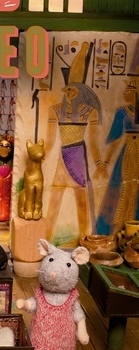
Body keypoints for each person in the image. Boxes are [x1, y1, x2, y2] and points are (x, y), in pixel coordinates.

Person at [44, 82, 104, 240]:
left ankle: (83, 239)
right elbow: (49, 142)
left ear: (81, 93)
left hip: (78, 157)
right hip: (63, 157)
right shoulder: (55, 110)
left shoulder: (90, 112)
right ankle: (46, 238)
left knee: (81, 201)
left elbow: (93, 142)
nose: (68, 94)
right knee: (55, 198)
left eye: (72, 90)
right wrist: (39, 159)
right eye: (66, 90)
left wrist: (99, 164)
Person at [96, 79, 139, 234]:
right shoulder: (123, 112)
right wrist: (105, 163)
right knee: (124, 188)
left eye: (130, 89)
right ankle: (119, 229)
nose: (126, 93)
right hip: (128, 153)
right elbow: (115, 141)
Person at [0, 134, 14, 221]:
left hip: (8, 172)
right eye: (1, 146)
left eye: (7, 146)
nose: (4, 149)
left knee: (6, 195)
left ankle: (6, 212)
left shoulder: (11, 165)